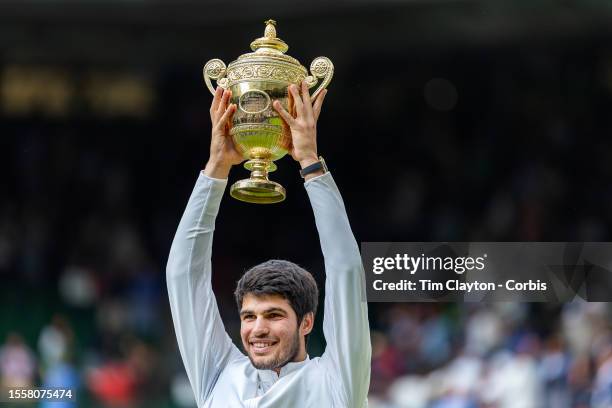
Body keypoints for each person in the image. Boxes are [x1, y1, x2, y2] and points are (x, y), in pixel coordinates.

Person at [166, 81, 371, 407]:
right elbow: (183, 275)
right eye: (249, 316)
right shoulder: (219, 375)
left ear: (306, 322)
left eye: (274, 315)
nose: (257, 329)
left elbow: (345, 270)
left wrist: (309, 162)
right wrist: (216, 167)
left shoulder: (335, 382)